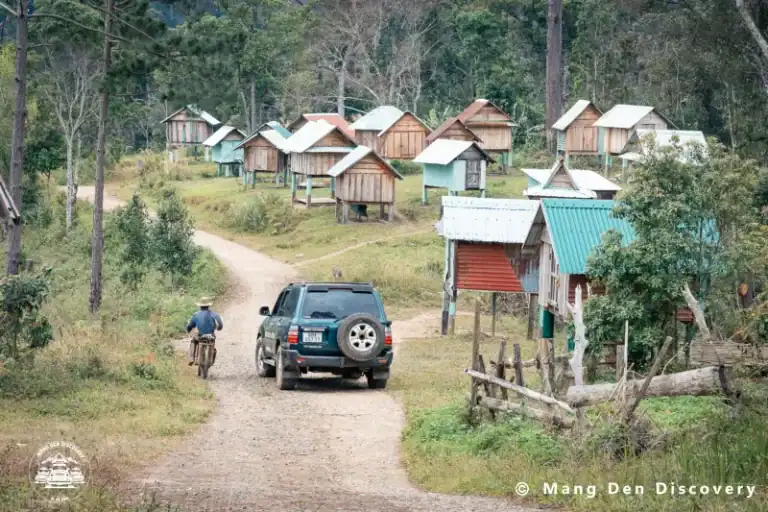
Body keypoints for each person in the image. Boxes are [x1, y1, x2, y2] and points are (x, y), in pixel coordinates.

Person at [186, 297, 223, 366]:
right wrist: (219, 328)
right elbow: (220, 325)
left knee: (193, 341)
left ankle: (192, 358)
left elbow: (190, 325)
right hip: (211, 336)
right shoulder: (214, 314)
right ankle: (211, 357)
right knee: (212, 343)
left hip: (201, 336)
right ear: (208, 306)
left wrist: (188, 329)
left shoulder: (196, 315)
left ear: (200, 306)